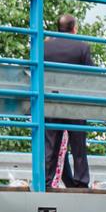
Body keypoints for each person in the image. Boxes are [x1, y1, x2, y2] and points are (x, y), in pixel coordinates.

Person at [42, 14, 96, 188]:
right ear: (74, 28)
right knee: (78, 146)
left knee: (50, 145)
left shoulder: (45, 46)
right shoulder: (82, 47)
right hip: (75, 103)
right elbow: (92, 76)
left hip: (52, 102)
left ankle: (46, 181)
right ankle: (81, 181)